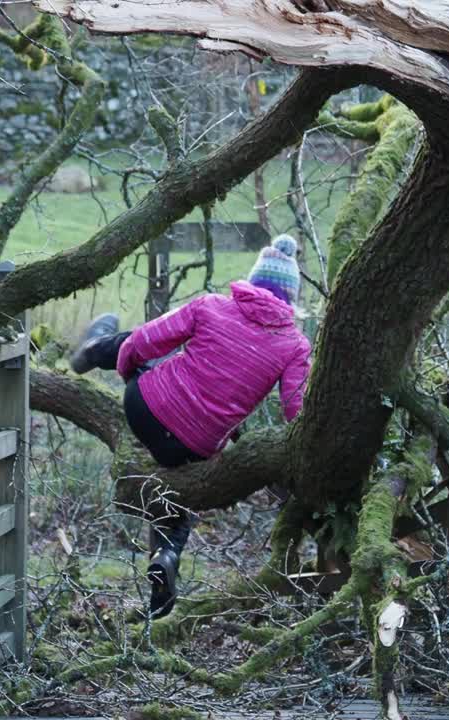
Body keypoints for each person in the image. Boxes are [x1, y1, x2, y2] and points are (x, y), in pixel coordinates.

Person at [69, 234, 312, 618]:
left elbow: (145, 341)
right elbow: (295, 410)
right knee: (180, 491)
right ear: (290, 301)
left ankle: (91, 349)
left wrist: (131, 375)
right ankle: (165, 563)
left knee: (130, 345)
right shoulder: (295, 345)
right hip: (194, 444)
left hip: (145, 409)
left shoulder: (212, 305)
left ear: (251, 284)